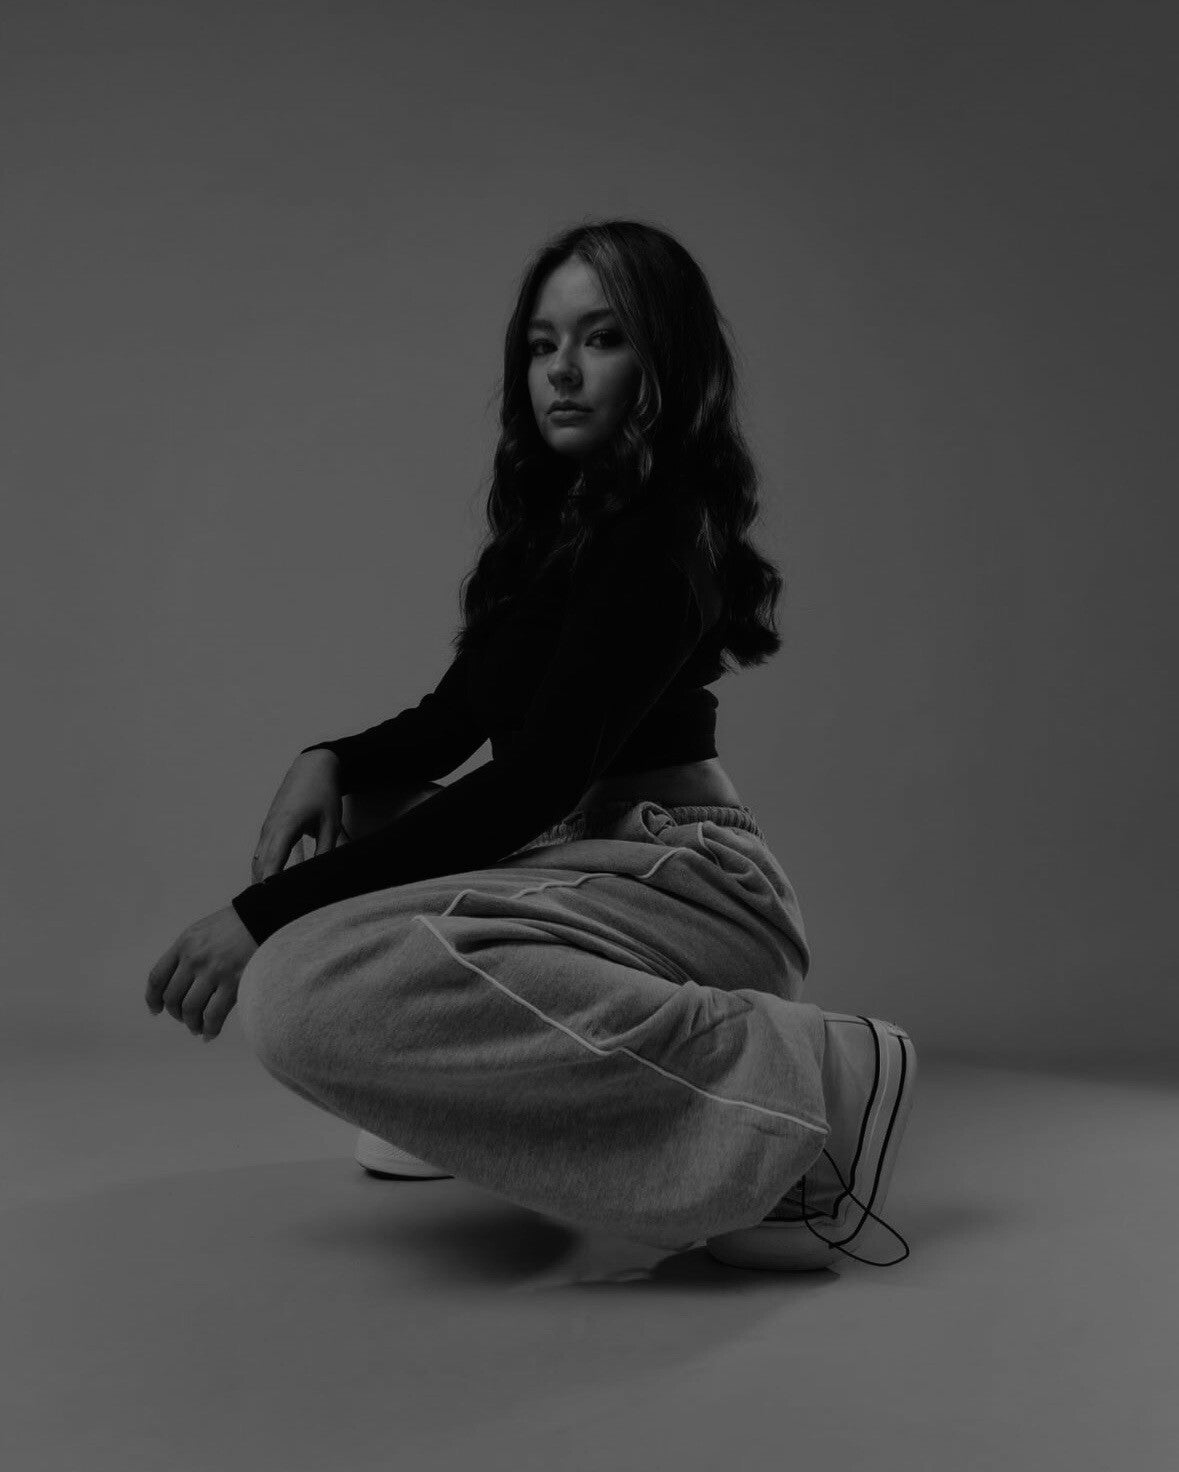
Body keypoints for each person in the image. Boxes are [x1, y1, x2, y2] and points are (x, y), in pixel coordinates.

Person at [145, 219, 917, 1270]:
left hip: (684, 879)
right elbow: (447, 727)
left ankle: (811, 1076)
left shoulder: (660, 534)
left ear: (663, 362)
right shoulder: (558, 531)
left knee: (292, 996)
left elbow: (534, 781)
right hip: (581, 855)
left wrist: (256, 917)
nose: (561, 369)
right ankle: (453, 1104)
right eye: (542, 343)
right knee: (364, 814)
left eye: (601, 338)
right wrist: (327, 755)